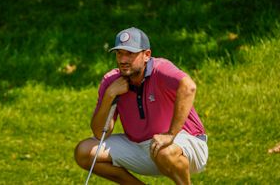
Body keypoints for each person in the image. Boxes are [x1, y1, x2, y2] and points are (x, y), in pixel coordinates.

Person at [74, 27, 208, 185]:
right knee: (83, 152)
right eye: (119, 53)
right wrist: (109, 95)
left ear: (147, 55)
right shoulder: (112, 81)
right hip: (140, 146)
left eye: (129, 54)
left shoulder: (161, 69)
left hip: (186, 143)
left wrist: (171, 135)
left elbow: (189, 87)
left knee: (164, 152)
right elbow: (99, 132)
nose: (123, 60)